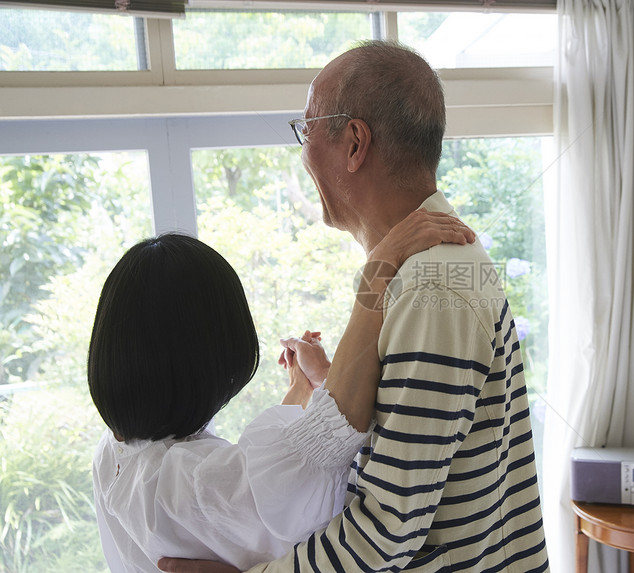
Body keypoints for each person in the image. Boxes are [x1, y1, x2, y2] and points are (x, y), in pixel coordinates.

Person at [159, 40, 549, 573]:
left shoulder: (431, 288)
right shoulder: (417, 268)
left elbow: (386, 532)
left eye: (307, 128)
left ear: (355, 142)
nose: (301, 150)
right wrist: (334, 384)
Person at [88, 210, 474, 572]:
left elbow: (259, 489)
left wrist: (301, 389)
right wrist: (378, 272)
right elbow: (323, 443)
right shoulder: (187, 487)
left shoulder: (114, 456)